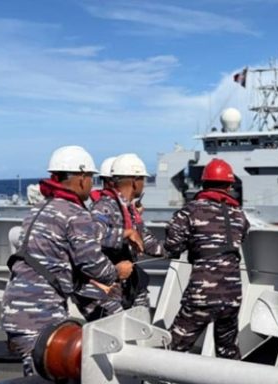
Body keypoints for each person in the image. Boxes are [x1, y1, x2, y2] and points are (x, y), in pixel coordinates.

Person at [0, 146, 130, 376]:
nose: (92, 183)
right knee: (45, 377)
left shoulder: (38, 209)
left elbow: (55, 261)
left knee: (37, 373)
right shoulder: (75, 214)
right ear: (81, 178)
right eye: (91, 177)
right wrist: (116, 272)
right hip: (39, 315)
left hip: (14, 309)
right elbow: (91, 263)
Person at [164, 158, 249, 359]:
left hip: (201, 295)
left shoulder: (189, 212)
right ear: (229, 186)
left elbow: (172, 247)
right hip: (232, 296)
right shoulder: (240, 215)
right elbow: (241, 237)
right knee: (228, 353)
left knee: (172, 352)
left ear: (203, 184)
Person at [82, 153, 163, 320]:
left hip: (128, 285)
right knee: (114, 334)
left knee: (139, 326)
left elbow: (147, 242)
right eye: (142, 179)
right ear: (135, 181)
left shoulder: (129, 210)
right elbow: (89, 236)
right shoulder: (105, 207)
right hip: (107, 288)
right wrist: (125, 234)